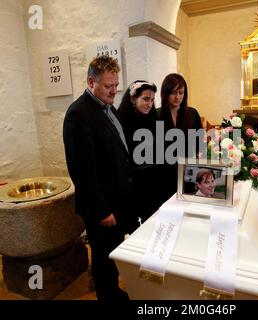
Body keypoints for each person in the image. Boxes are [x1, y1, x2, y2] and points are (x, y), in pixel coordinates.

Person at [63, 55, 136, 301]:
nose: (114, 91)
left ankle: (114, 291)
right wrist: (101, 210)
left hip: (117, 198)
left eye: (116, 85)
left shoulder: (107, 106)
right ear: (91, 81)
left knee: (113, 253)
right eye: (108, 86)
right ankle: (108, 296)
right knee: (104, 259)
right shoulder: (78, 114)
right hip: (101, 206)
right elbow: (82, 171)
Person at [117, 80, 160, 222]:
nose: (149, 104)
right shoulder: (120, 121)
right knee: (133, 225)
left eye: (152, 100)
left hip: (152, 180)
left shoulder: (154, 118)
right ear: (132, 98)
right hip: (132, 183)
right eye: (145, 99)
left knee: (152, 220)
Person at [157, 73, 203, 203]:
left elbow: (200, 145)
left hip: (188, 171)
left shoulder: (192, 114)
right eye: (173, 93)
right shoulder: (156, 115)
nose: (177, 97)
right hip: (165, 174)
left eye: (181, 92)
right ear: (165, 93)